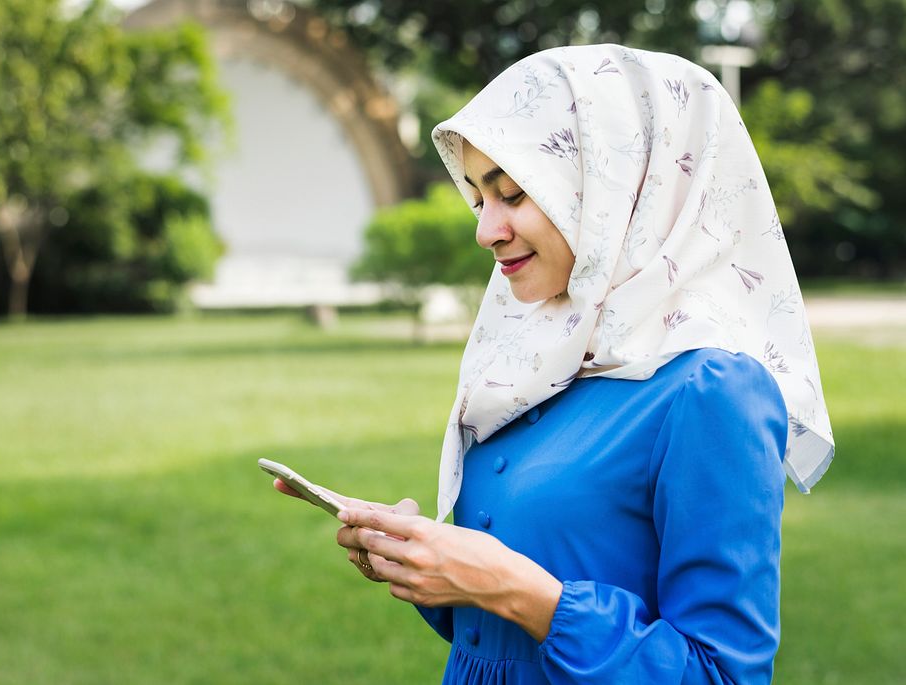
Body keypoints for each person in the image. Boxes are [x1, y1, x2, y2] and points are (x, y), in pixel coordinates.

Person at [273, 43, 834, 684]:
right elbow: (504, 626)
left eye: (513, 194)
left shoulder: (710, 391)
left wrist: (520, 592)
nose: (486, 229)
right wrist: (430, 560)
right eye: (480, 198)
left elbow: (722, 675)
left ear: (621, 191)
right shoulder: (536, 359)